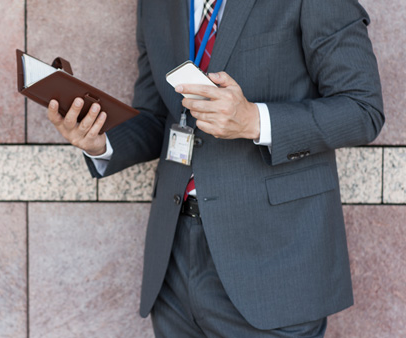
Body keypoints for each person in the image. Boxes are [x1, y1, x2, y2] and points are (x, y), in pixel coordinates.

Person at [47, 0, 384, 336]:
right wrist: (100, 142)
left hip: (274, 260)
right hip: (174, 262)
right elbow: (157, 116)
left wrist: (254, 120)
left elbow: (362, 109)